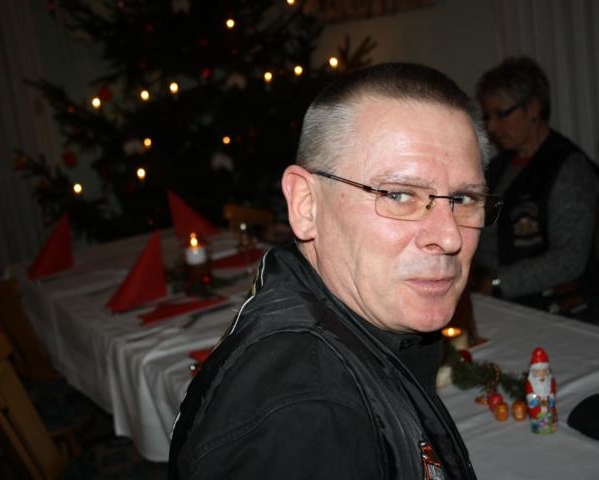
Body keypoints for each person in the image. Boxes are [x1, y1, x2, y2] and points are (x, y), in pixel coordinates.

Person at [169, 63, 500, 479]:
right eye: (400, 195)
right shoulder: (304, 415)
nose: (450, 237)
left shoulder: (361, 328)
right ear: (306, 205)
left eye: (464, 199)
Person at [472, 56, 599, 307]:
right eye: (488, 116)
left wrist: (496, 282)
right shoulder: (500, 166)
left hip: (544, 303)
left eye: (501, 114)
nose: (491, 127)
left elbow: (569, 259)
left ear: (533, 108)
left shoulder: (569, 170)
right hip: (492, 296)